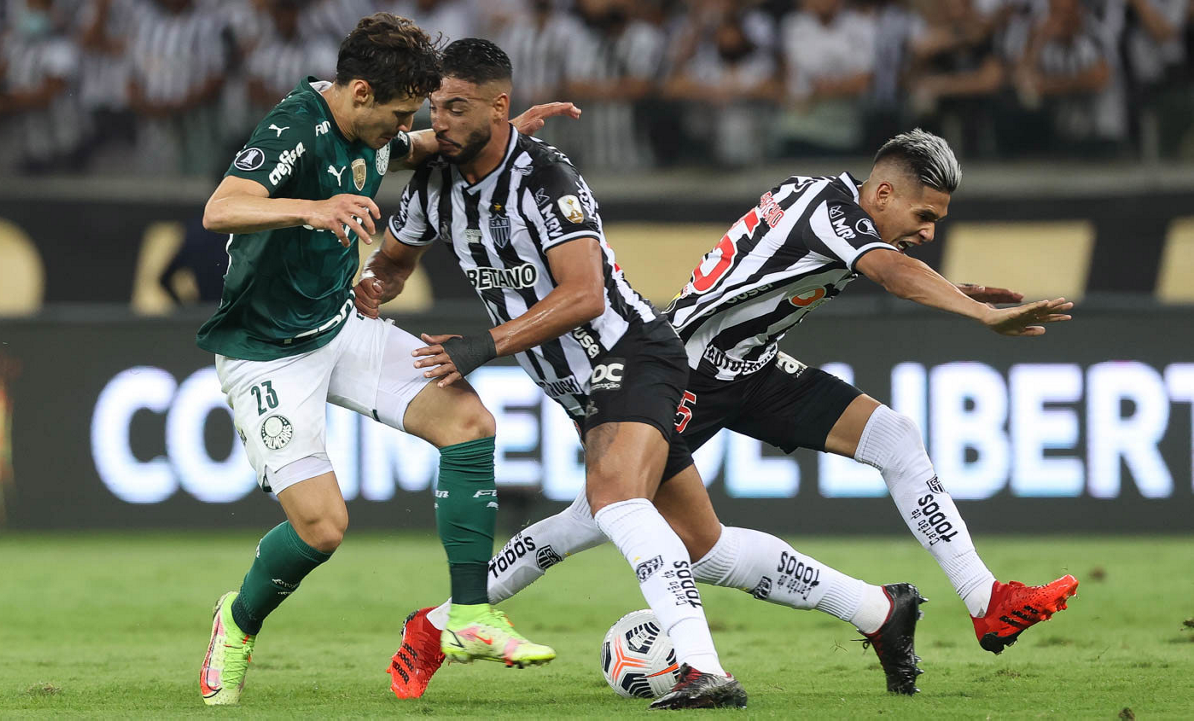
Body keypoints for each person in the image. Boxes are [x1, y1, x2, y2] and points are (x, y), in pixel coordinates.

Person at [386, 128, 1080, 696]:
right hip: (683, 370)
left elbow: (860, 264)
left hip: (750, 367)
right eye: (923, 217)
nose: (926, 232)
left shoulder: (834, 208)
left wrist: (955, 290)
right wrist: (978, 313)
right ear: (884, 193)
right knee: (614, 519)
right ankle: (438, 623)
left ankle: (983, 602)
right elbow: (887, 270)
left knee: (894, 436)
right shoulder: (832, 211)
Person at [195, 14, 576, 706]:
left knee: (468, 421)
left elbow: (417, 147)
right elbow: (221, 208)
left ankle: (469, 614)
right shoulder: (294, 128)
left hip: (339, 325)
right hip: (266, 352)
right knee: (322, 529)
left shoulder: (372, 126)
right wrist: (310, 208)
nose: (404, 128)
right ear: (361, 92)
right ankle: (239, 619)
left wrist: (500, 131)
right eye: (399, 114)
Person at [363, 38, 749, 710]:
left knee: (615, 499)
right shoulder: (434, 183)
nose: (440, 122)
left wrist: (482, 345)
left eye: (457, 108)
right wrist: (371, 285)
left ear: (499, 106)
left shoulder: (546, 178)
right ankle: (878, 610)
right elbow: (394, 262)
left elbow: (584, 294)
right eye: (435, 108)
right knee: (695, 539)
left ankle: (701, 668)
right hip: (571, 384)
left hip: (631, 350)